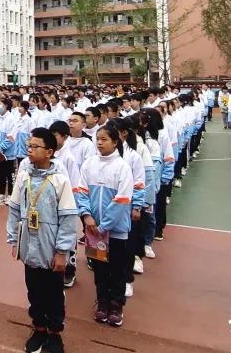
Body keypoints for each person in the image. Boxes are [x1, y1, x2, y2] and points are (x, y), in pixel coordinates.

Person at [8, 127, 78, 353]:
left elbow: (68, 218)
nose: (30, 150)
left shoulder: (60, 180)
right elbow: (15, 208)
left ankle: (54, 332)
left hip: (50, 246)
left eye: (35, 146)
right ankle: (38, 327)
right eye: (29, 146)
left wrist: (62, 251)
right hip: (29, 243)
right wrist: (14, 240)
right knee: (34, 289)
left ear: (49, 152)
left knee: (54, 292)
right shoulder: (24, 175)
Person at [77, 122, 135, 329]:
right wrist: (86, 216)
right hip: (93, 230)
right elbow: (81, 191)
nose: (99, 143)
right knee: (99, 268)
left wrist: (105, 225)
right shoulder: (89, 164)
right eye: (98, 139)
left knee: (117, 269)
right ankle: (102, 302)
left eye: (104, 140)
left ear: (115, 142)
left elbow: (122, 200)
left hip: (116, 231)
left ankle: (116, 305)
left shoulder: (122, 167)